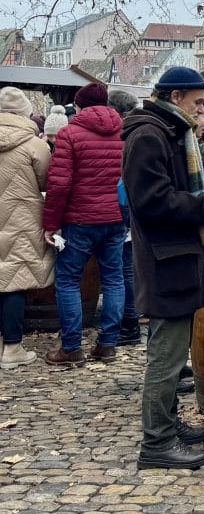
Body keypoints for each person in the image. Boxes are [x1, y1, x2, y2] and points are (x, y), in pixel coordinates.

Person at [122, 67, 204, 470]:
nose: (202, 109)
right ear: (176, 98)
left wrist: (202, 197)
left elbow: (166, 193)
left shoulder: (166, 132)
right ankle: (157, 443)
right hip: (164, 260)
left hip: (173, 257)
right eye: (198, 102)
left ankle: (168, 425)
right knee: (166, 356)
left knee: (171, 352)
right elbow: (151, 201)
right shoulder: (148, 135)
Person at [42, 83, 127, 367]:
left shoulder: (69, 134)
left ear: (79, 107)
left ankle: (71, 348)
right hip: (115, 218)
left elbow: (59, 184)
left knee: (68, 281)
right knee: (113, 280)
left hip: (79, 219)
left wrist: (51, 224)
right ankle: (108, 345)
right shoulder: (122, 133)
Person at [0, 86, 53, 369]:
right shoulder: (35, 144)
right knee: (14, 280)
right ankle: (12, 348)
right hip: (20, 219)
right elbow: (47, 182)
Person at [107, 90, 143, 347]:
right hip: (129, 207)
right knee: (125, 269)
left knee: (117, 271)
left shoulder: (124, 134)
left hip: (115, 208)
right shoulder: (137, 133)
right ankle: (130, 321)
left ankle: (125, 323)